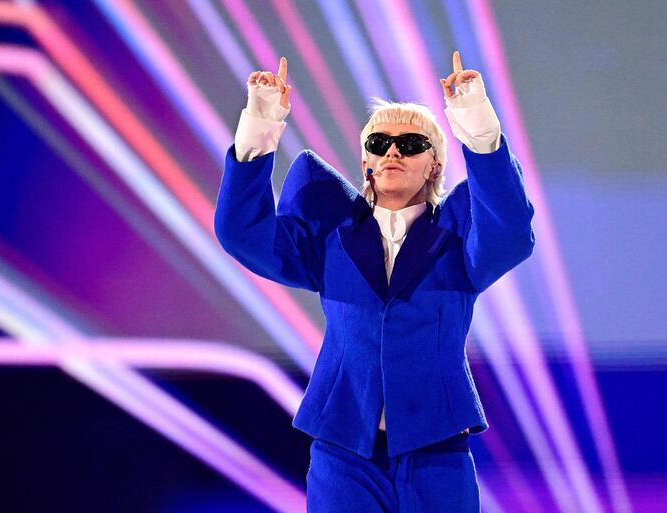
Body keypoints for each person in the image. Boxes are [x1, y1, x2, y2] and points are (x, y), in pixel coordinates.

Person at [215, 52, 535, 512]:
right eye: (382, 141)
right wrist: (259, 125)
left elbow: (509, 233)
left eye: (410, 144)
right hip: (344, 451)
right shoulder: (331, 236)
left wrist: (479, 128)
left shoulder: (461, 238)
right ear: (366, 160)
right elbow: (242, 232)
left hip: (436, 450)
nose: (393, 151)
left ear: (434, 165)